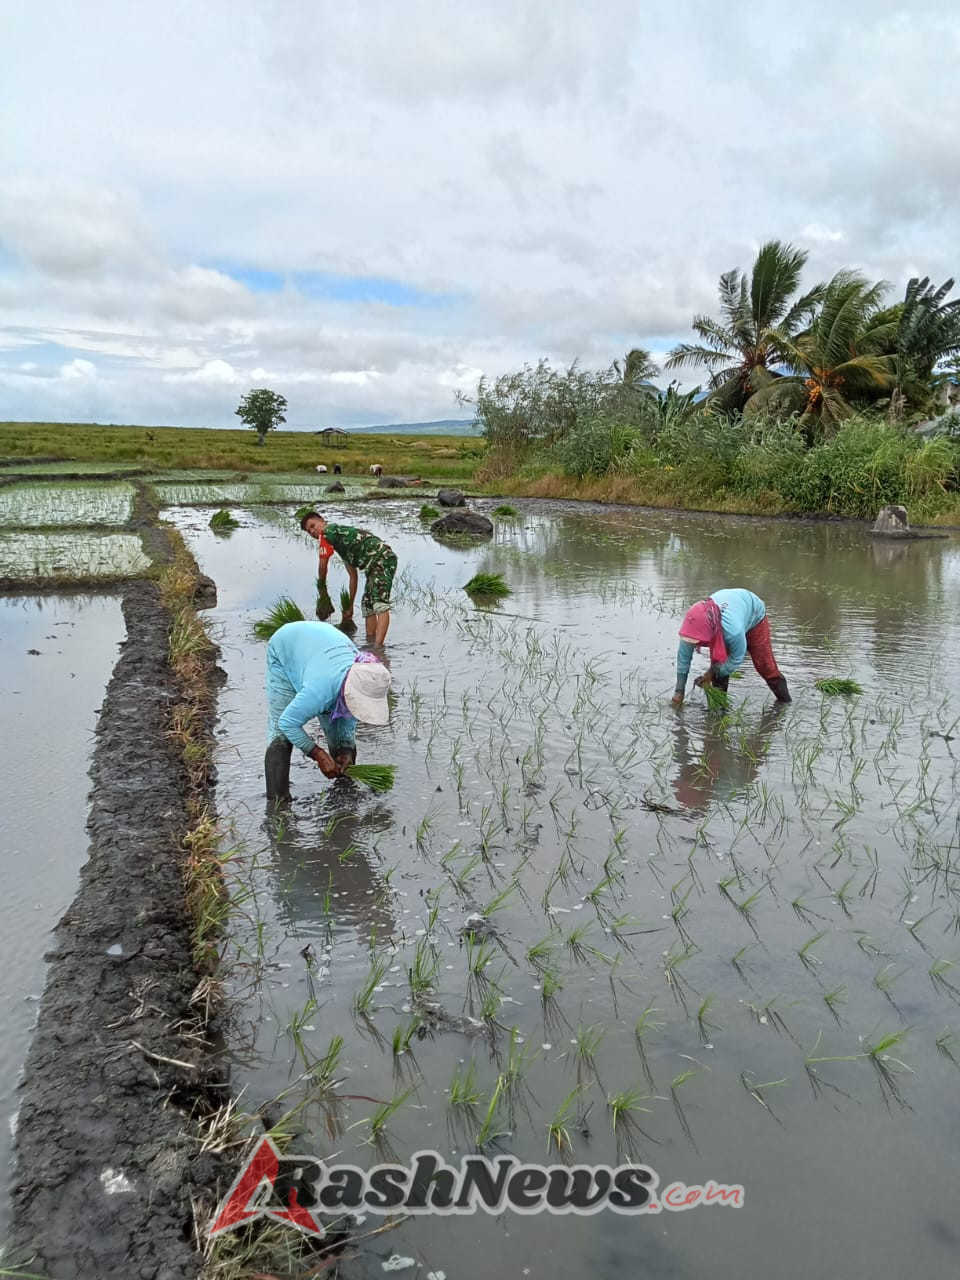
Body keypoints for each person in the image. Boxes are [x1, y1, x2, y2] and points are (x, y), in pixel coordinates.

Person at [264, 620, 391, 802]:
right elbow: (287, 723)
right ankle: (278, 803)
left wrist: (346, 751)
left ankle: (345, 799)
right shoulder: (320, 690)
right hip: (287, 646)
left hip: (325, 645)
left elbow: (347, 721)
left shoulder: (364, 676)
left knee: (342, 741)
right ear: (349, 690)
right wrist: (318, 754)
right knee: (281, 735)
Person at [670, 588, 791, 706]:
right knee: (718, 666)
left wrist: (711, 672)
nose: (694, 643)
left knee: (766, 667)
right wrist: (679, 691)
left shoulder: (733, 631)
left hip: (753, 614)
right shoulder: (691, 628)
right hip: (729, 614)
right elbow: (683, 660)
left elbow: (736, 658)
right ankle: (719, 712)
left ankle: (785, 704)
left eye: (697, 641)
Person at [300, 511, 397, 646]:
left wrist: (322, 588)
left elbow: (323, 564)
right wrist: (350, 605)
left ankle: (378, 648)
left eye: (313, 526)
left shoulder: (328, 532)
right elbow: (353, 577)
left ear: (322, 521)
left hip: (382, 558)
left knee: (379, 602)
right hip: (372, 566)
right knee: (367, 605)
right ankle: (370, 643)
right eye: (309, 531)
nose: (312, 531)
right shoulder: (342, 545)